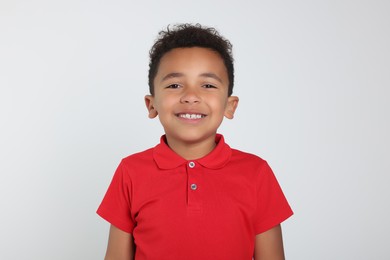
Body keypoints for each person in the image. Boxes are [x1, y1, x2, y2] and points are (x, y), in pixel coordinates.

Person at [97, 23, 293, 260]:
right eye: (174, 85)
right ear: (152, 105)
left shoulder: (256, 173)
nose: (191, 96)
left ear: (229, 106)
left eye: (208, 85)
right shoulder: (130, 171)